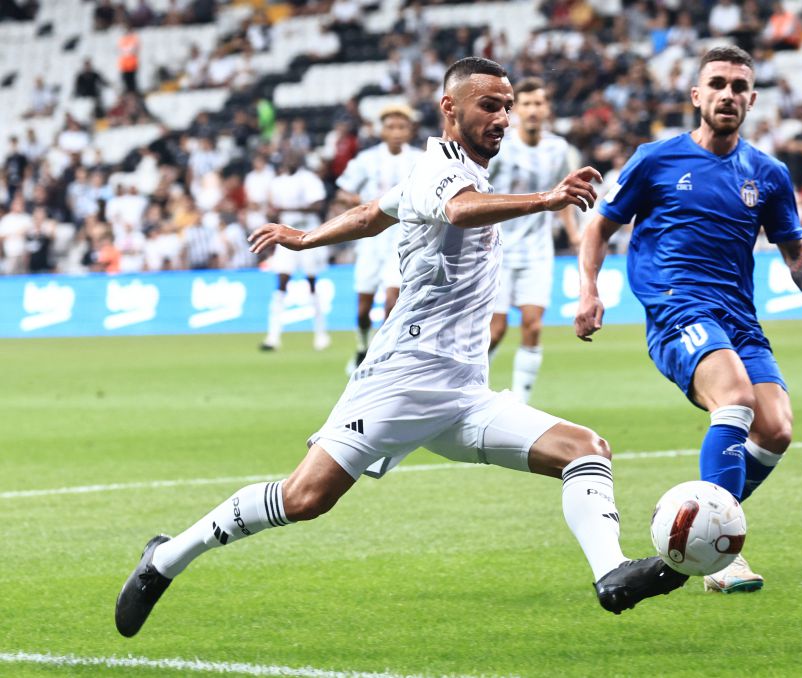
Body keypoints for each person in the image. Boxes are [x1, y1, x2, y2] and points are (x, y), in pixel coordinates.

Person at [114, 57, 688, 639]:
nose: (503, 117)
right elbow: (458, 210)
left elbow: (372, 213)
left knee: (586, 449)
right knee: (305, 497)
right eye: (490, 105)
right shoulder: (438, 168)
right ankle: (165, 559)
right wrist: (545, 200)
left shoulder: (458, 172)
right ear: (450, 108)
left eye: (508, 106)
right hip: (402, 378)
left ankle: (611, 572)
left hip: (464, 391)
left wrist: (305, 237)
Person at [575, 46, 802, 594]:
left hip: (738, 316)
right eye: (717, 84)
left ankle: (690, 530)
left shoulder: (767, 173)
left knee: (776, 429)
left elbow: (793, 249)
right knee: (737, 400)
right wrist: (589, 290)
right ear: (697, 96)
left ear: (751, 99)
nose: (728, 94)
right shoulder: (656, 159)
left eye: (739, 86)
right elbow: (599, 227)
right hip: (678, 307)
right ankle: (718, 557)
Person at [484, 77, 581, 404]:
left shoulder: (558, 148)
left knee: (533, 325)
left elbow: (561, 196)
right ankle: (469, 391)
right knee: (495, 331)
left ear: (547, 108)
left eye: (539, 103)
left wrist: (574, 234)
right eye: (526, 104)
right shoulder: (500, 146)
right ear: (515, 110)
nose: (533, 110)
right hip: (497, 249)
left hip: (538, 250)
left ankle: (520, 404)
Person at [333, 103, 423, 372]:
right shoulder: (366, 160)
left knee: (392, 302)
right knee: (363, 307)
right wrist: (356, 199)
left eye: (402, 127)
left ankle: (380, 357)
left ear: (410, 131)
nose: (396, 132)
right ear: (381, 130)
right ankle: (362, 347)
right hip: (371, 240)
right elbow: (341, 192)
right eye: (391, 127)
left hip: (403, 238)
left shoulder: (421, 159)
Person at [260, 152, 329, 351]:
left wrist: (287, 209)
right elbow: (272, 208)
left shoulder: (309, 179)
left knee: (312, 283)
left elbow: (318, 205)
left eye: (292, 157)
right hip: (284, 236)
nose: (289, 160)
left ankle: (320, 334)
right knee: (281, 282)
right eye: (286, 157)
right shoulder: (276, 182)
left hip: (308, 234)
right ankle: (273, 337)